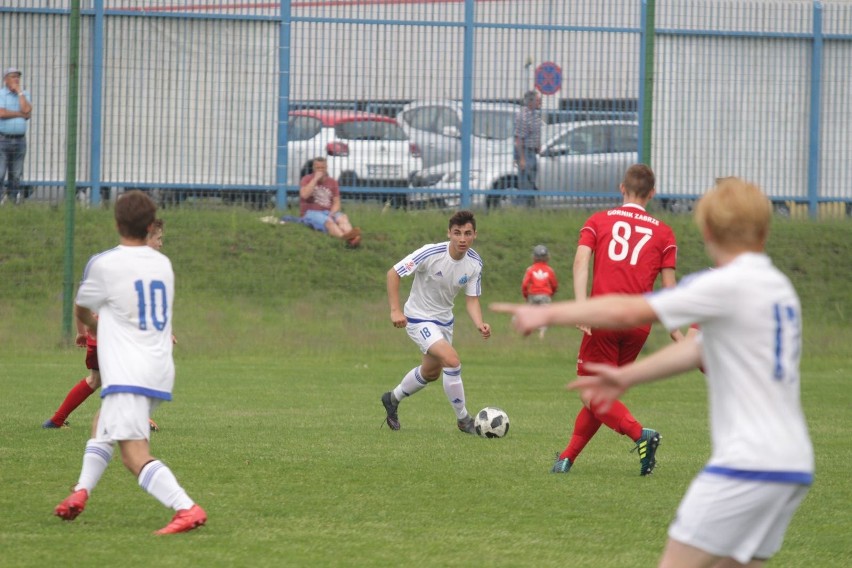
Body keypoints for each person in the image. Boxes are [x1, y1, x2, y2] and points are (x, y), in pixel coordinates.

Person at [493, 177, 813, 568]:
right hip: (794, 462)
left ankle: (626, 436)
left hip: (745, 462)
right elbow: (696, 349)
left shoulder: (722, 283)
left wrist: (548, 313)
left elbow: (629, 310)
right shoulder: (780, 288)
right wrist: (627, 378)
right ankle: (571, 453)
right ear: (765, 231)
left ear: (707, 230)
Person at [54, 192, 206, 535]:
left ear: (117, 223)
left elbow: (81, 308)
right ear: (151, 226)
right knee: (102, 424)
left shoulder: (106, 264)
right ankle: (80, 492)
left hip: (129, 369)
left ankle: (186, 508)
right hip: (158, 367)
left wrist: (91, 327)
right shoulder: (162, 265)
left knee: (133, 455)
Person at [558, 163, 680, 476]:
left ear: (621, 188)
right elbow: (670, 290)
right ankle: (566, 459)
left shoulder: (599, 221)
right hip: (638, 326)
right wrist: (677, 331)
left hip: (604, 317)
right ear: (652, 193)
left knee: (591, 394)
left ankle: (642, 435)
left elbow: (581, 260)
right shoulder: (664, 232)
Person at [43, 220, 166, 432]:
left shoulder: (99, 259)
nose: (161, 244)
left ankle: (56, 420)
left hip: (97, 334)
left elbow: (82, 300)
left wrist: (82, 331)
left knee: (96, 379)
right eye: (159, 239)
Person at [380, 210, 491, 434]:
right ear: (448, 233)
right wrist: (395, 310)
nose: (462, 238)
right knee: (452, 360)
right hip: (418, 318)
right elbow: (393, 273)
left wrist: (479, 323)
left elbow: (472, 300)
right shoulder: (431, 253)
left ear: (474, 235)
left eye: (467, 233)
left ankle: (392, 398)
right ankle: (464, 420)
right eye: (457, 233)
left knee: (431, 373)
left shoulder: (474, 263)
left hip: (444, 322)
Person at [299, 156, 361, 247]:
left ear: (326, 167)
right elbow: (304, 195)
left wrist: (332, 212)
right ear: (313, 168)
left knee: (342, 218)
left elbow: (337, 202)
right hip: (311, 212)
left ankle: (352, 237)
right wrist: (315, 179)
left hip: (328, 211)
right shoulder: (307, 179)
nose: (320, 170)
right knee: (329, 221)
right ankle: (345, 239)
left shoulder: (333, 182)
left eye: (322, 168)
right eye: (318, 168)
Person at [0, 67, 32, 206]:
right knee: (0, 172)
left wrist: (19, 92)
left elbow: (27, 111)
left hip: (20, 140)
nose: (16, 79)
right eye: (13, 76)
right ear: (6, 79)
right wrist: (20, 114)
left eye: (18, 77)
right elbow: (1, 113)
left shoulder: (24, 94)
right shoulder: (1, 94)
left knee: (16, 173)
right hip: (3, 139)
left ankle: (13, 201)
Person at [521, 244, 558, 338]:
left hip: (532, 294)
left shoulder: (530, 269)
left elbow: (525, 284)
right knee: (544, 314)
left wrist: (526, 295)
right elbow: (554, 285)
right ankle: (541, 333)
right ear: (547, 257)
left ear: (534, 257)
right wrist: (551, 294)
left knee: (531, 313)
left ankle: (529, 330)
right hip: (545, 295)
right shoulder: (549, 270)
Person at [513, 90, 542, 206]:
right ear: (531, 102)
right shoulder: (523, 117)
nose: (540, 102)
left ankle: (529, 210)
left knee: (531, 184)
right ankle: (521, 209)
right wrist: (522, 158)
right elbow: (519, 140)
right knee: (525, 185)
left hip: (533, 153)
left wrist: (538, 145)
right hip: (526, 153)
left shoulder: (535, 115)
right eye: (538, 100)